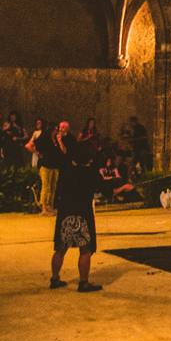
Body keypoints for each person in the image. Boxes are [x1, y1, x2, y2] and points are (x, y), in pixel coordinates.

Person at [48, 120, 101, 292]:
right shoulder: (88, 173)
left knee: (61, 248)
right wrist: (124, 187)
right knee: (85, 249)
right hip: (82, 213)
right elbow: (104, 188)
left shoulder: (66, 170)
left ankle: (54, 279)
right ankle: (83, 282)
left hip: (65, 212)